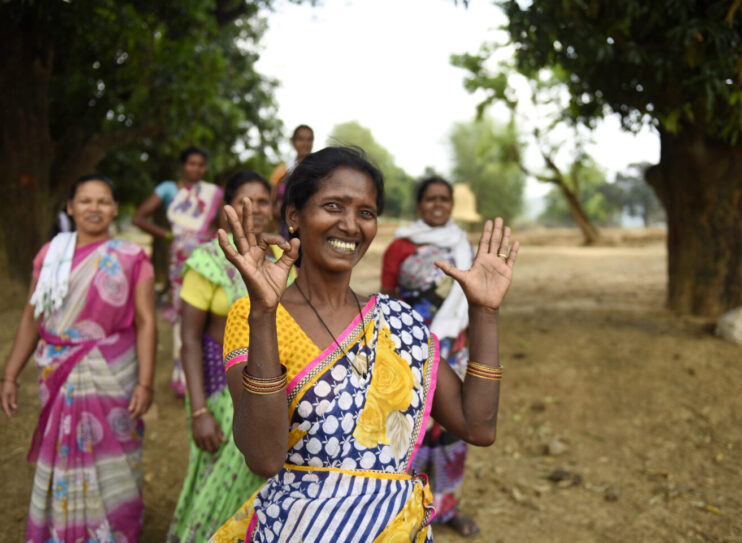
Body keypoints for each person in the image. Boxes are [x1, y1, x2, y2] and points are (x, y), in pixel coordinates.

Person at [210, 146, 519, 542]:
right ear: (293, 216)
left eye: (366, 212)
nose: (351, 225)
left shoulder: (400, 322)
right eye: (333, 206)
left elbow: (477, 425)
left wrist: (485, 313)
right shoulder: (253, 318)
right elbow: (264, 457)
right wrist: (264, 314)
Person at [1, 174, 156, 543]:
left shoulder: (131, 257)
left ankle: (115, 530)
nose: (94, 208)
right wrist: (9, 374)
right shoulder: (50, 256)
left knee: (115, 451)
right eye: (85, 201)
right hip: (58, 370)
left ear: (115, 209)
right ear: (70, 207)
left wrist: (146, 382)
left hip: (113, 371)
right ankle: (64, 531)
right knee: (62, 451)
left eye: (103, 201)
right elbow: (31, 316)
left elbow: (148, 321)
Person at [168, 170, 296, 542]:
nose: (254, 209)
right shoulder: (206, 262)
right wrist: (199, 411)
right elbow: (190, 340)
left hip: (272, 391)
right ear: (227, 209)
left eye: (262, 201)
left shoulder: (283, 260)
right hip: (222, 397)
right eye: (245, 200)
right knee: (216, 492)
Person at [381, 176, 479, 537]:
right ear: (419, 205)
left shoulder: (462, 245)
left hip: (454, 349)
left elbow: (473, 300)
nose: (438, 205)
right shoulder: (401, 247)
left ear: (452, 205)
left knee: (452, 428)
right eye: (430, 199)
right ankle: (404, 507)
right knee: (409, 427)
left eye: (444, 199)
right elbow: (388, 298)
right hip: (410, 348)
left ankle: (447, 506)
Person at [133, 146, 223, 396]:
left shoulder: (212, 193)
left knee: (206, 310)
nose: (196, 168)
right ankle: (182, 377)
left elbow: (222, 224)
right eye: (191, 163)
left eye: (200, 164)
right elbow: (138, 217)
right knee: (184, 312)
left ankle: (207, 372)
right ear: (182, 165)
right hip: (179, 262)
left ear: (205, 168)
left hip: (207, 259)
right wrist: (170, 235)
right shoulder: (168, 189)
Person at [269, 124, 314, 238]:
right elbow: (271, 201)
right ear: (293, 142)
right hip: (285, 226)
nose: (305, 144)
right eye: (301, 139)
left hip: (312, 223)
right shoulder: (282, 170)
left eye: (309, 139)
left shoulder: (319, 169)